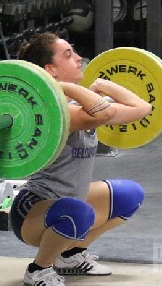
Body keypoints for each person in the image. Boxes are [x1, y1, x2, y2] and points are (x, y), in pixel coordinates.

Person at [9, 33, 152, 286]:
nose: (78, 58)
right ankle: (38, 270)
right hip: (33, 210)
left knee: (129, 194)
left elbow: (142, 109)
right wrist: (63, 88)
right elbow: (104, 113)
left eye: (74, 52)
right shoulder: (57, 111)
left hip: (71, 203)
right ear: (50, 70)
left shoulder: (80, 104)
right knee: (78, 211)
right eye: (68, 55)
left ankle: (70, 256)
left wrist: (102, 84)